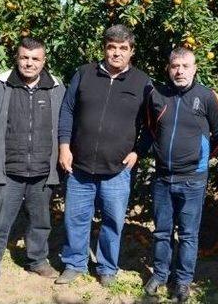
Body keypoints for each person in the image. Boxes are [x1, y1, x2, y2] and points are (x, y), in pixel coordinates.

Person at [0, 37, 65, 293]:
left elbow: (65, 126)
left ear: (44, 61)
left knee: (40, 222)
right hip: (7, 172)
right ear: (17, 58)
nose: (29, 63)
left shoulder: (55, 88)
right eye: (24, 57)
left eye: (35, 59)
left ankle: (37, 260)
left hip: (42, 171)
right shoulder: (1, 86)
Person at [55, 24, 151, 287]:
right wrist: (64, 145)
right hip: (80, 166)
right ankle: (74, 263)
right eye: (111, 47)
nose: (116, 53)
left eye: (123, 48)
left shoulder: (142, 83)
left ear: (131, 51)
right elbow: (67, 111)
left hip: (117, 170)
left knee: (113, 222)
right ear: (104, 49)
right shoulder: (84, 74)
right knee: (75, 218)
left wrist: (138, 152)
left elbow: (153, 124)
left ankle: (107, 267)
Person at [142, 47, 218, 302]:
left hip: (193, 179)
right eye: (175, 66)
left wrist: (200, 157)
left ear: (195, 68)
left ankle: (182, 282)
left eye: (185, 66)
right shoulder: (157, 96)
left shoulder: (208, 97)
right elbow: (150, 127)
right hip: (163, 178)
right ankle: (159, 275)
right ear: (168, 69)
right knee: (162, 231)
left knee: (188, 234)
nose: (179, 71)